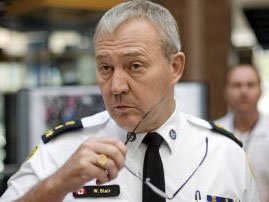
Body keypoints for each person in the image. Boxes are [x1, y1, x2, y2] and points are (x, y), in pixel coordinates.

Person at [0, 1, 260, 201]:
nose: (116, 86)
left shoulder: (224, 155)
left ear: (175, 67)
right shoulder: (62, 151)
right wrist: (57, 185)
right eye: (105, 68)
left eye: (135, 66)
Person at [215, 64, 269, 202]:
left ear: (261, 90)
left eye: (250, 85)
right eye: (237, 85)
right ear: (225, 91)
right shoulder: (213, 132)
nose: (244, 91)